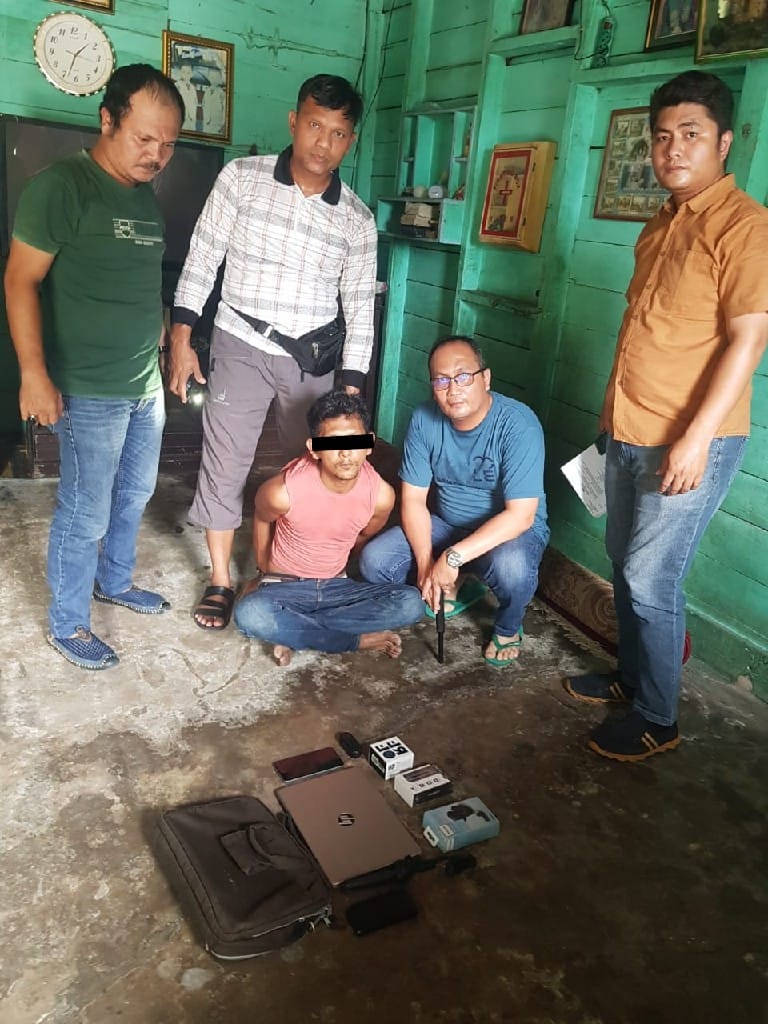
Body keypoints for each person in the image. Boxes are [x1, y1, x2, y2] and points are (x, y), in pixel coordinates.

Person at [564, 71, 768, 761]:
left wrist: (697, 439)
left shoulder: (745, 227)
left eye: (690, 134)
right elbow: (640, 330)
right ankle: (631, 679)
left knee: (653, 578)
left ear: (724, 142)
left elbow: (748, 340)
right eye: (661, 137)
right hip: (627, 426)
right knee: (623, 561)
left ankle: (659, 717)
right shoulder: (660, 223)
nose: (672, 149)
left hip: (688, 439)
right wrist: (608, 412)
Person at [168, 73, 377, 632]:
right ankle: (220, 579)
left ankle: (292, 572)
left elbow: (360, 310)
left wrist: (350, 392)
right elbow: (202, 258)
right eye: (314, 125)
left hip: (313, 362)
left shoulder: (357, 219)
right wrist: (182, 337)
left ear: (350, 140)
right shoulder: (242, 178)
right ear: (293, 121)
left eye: (338, 133)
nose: (323, 143)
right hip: (239, 341)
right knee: (225, 461)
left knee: (314, 468)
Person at [4, 65, 184, 670]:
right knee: (86, 509)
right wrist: (34, 374)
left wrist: (164, 346)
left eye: (168, 144)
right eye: (144, 138)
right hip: (88, 389)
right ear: (107, 120)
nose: (156, 155)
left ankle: (115, 581)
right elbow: (20, 281)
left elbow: (141, 285)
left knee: (135, 493)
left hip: (143, 384)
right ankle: (68, 623)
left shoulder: (145, 197)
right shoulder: (61, 187)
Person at [359, 335, 549, 666]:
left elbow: (521, 516)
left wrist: (450, 558)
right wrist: (425, 567)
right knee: (375, 562)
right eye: (441, 380)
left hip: (508, 534)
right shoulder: (424, 419)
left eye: (463, 377)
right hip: (448, 524)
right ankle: (460, 584)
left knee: (512, 568)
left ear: (485, 378)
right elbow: (413, 501)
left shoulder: (518, 424)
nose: (453, 389)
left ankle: (508, 627)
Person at [233, 391, 424, 665]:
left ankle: (294, 633)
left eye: (355, 442)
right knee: (250, 614)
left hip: (336, 584)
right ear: (314, 449)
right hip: (286, 585)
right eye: (333, 443)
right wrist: (264, 568)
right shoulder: (282, 491)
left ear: (369, 444)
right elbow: (262, 518)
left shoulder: (381, 496)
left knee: (411, 603)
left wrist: (335, 563)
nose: (345, 454)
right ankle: (354, 640)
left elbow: (364, 535)